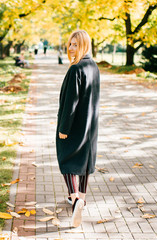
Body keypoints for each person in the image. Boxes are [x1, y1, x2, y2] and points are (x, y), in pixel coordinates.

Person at [56, 30, 100, 227]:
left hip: (75, 124)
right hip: (90, 125)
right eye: (70, 44)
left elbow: (70, 103)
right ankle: (82, 197)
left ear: (85, 45)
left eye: (76, 44)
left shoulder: (76, 68)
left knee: (66, 158)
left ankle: (75, 199)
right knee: (84, 160)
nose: (71, 48)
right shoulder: (94, 66)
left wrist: (64, 128)